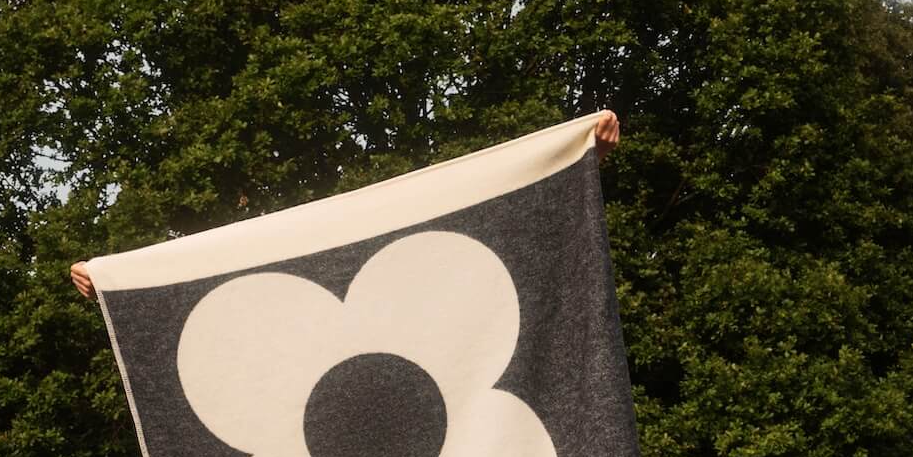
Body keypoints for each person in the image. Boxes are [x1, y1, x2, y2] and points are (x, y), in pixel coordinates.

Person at [69, 110, 620, 300]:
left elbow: (503, 218)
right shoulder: (258, 234)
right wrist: (114, 284)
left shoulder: (418, 190)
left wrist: (579, 155)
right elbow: (202, 287)